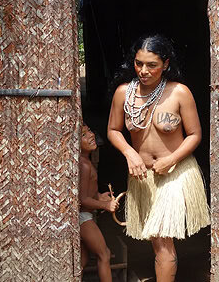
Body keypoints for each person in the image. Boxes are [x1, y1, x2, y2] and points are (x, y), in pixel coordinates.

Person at [107, 34, 210, 282]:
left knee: (163, 240)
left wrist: (171, 159)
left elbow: (195, 135)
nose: (143, 71)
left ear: (165, 64)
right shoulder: (124, 93)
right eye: (138, 63)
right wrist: (130, 153)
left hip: (174, 173)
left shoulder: (179, 93)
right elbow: (113, 130)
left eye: (151, 65)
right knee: (157, 243)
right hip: (143, 177)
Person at [78, 123, 118, 282]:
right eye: (83, 135)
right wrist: (105, 205)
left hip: (84, 215)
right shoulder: (84, 165)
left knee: (82, 260)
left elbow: (87, 194)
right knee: (104, 254)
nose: (91, 135)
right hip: (83, 217)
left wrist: (99, 196)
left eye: (89, 130)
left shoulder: (85, 162)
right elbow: (82, 200)